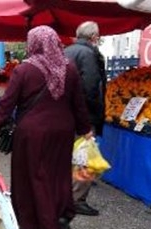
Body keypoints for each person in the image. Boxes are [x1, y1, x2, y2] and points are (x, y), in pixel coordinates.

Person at [0, 26, 92, 229]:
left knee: (33, 178)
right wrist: (85, 129)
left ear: (34, 43)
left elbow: (5, 105)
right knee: (58, 175)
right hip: (63, 132)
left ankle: (36, 226)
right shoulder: (69, 68)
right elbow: (79, 104)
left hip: (32, 133)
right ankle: (60, 216)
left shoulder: (24, 70)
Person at [64, 21, 107, 216]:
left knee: (70, 156)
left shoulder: (67, 51)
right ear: (94, 37)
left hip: (65, 113)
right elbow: (91, 87)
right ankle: (77, 199)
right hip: (83, 116)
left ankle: (67, 194)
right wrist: (91, 117)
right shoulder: (89, 54)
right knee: (84, 157)